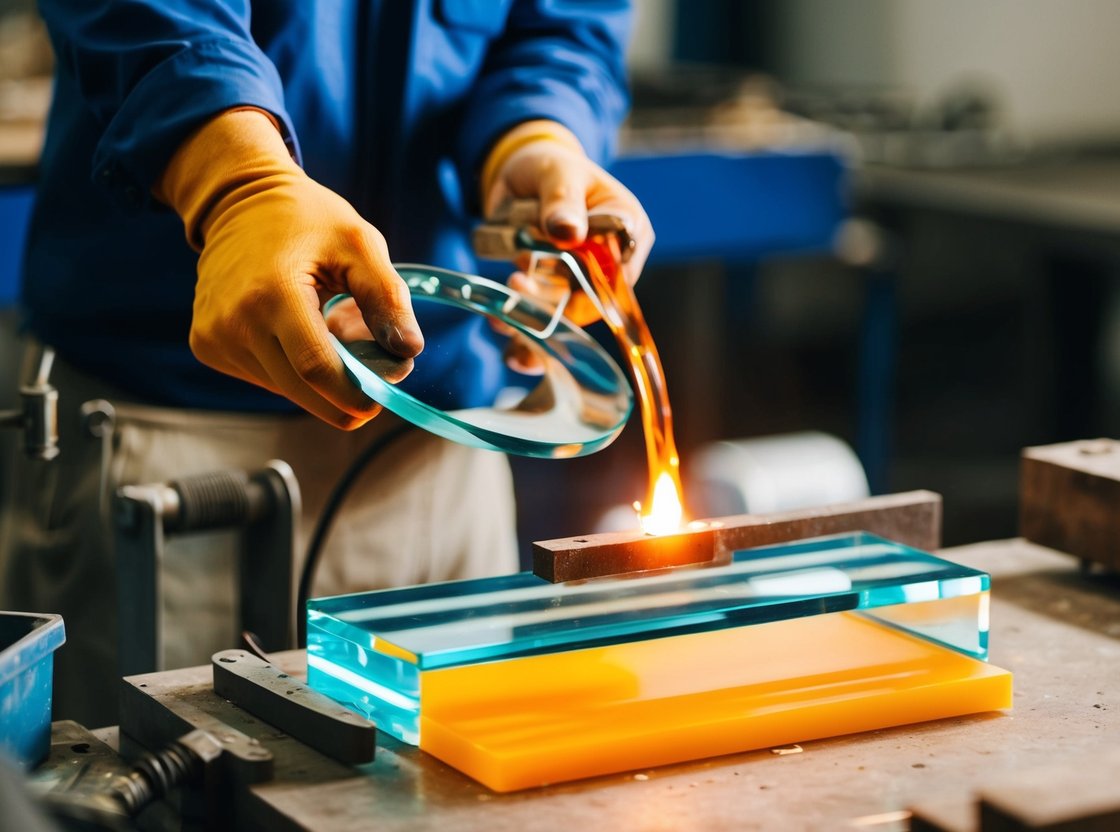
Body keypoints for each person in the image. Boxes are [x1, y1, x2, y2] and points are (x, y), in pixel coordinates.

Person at [0, 0, 653, 726]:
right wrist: (239, 181)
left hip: (446, 439)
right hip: (166, 436)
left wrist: (534, 138)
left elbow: (562, 23)